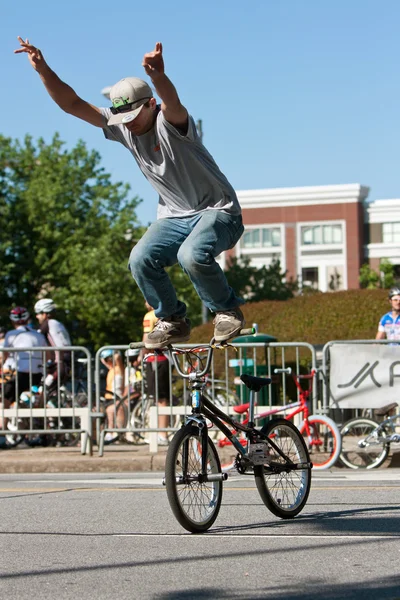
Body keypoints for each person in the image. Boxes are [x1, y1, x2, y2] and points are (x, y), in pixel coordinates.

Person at [15, 37, 245, 348]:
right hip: (174, 217)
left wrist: (158, 77)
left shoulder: (171, 122)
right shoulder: (123, 126)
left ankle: (226, 310)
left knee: (190, 255)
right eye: (124, 119)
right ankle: (173, 320)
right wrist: (43, 69)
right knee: (140, 258)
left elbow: (172, 101)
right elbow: (72, 104)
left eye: (134, 117)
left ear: (151, 105)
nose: (130, 126)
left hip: (218, 212)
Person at [1, 307, 47, 436]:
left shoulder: (11, 335)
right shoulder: (38, 334)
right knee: (41, 401)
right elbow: (47, 355)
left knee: (5, 400)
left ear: (12, 321)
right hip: (39, 374)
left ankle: (2, 433)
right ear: (28, 319)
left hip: (21, 373)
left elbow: (4, 356)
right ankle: (44, 431)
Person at [142, 302, 171, 445]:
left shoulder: (149, 315)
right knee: (163, 399)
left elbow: (146, 338)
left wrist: (140, 355)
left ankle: (162, 434)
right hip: (164, 359)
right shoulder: (166, 313)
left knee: (160, 399)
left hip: (155, 360)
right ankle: (162, 433)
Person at [34, 298, 72, 387]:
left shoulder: (48, 323)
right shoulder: (58, 323)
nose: (36, 316)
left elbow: (35, 338)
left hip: (60, 364)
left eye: (38, 314)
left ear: (45, 314)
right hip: (64, 363)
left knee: (44, 390)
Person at [100, 349, 125, 443]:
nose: (108, 362)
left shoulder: (119, 368)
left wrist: (114, 353)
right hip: (109, 397)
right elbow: (104, 361)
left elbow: (118, 358)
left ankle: (115, 433)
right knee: (109, 414)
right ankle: (110, 433)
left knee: (112, 412)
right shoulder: (110, 369)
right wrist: (103, 358)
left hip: (116, 397)